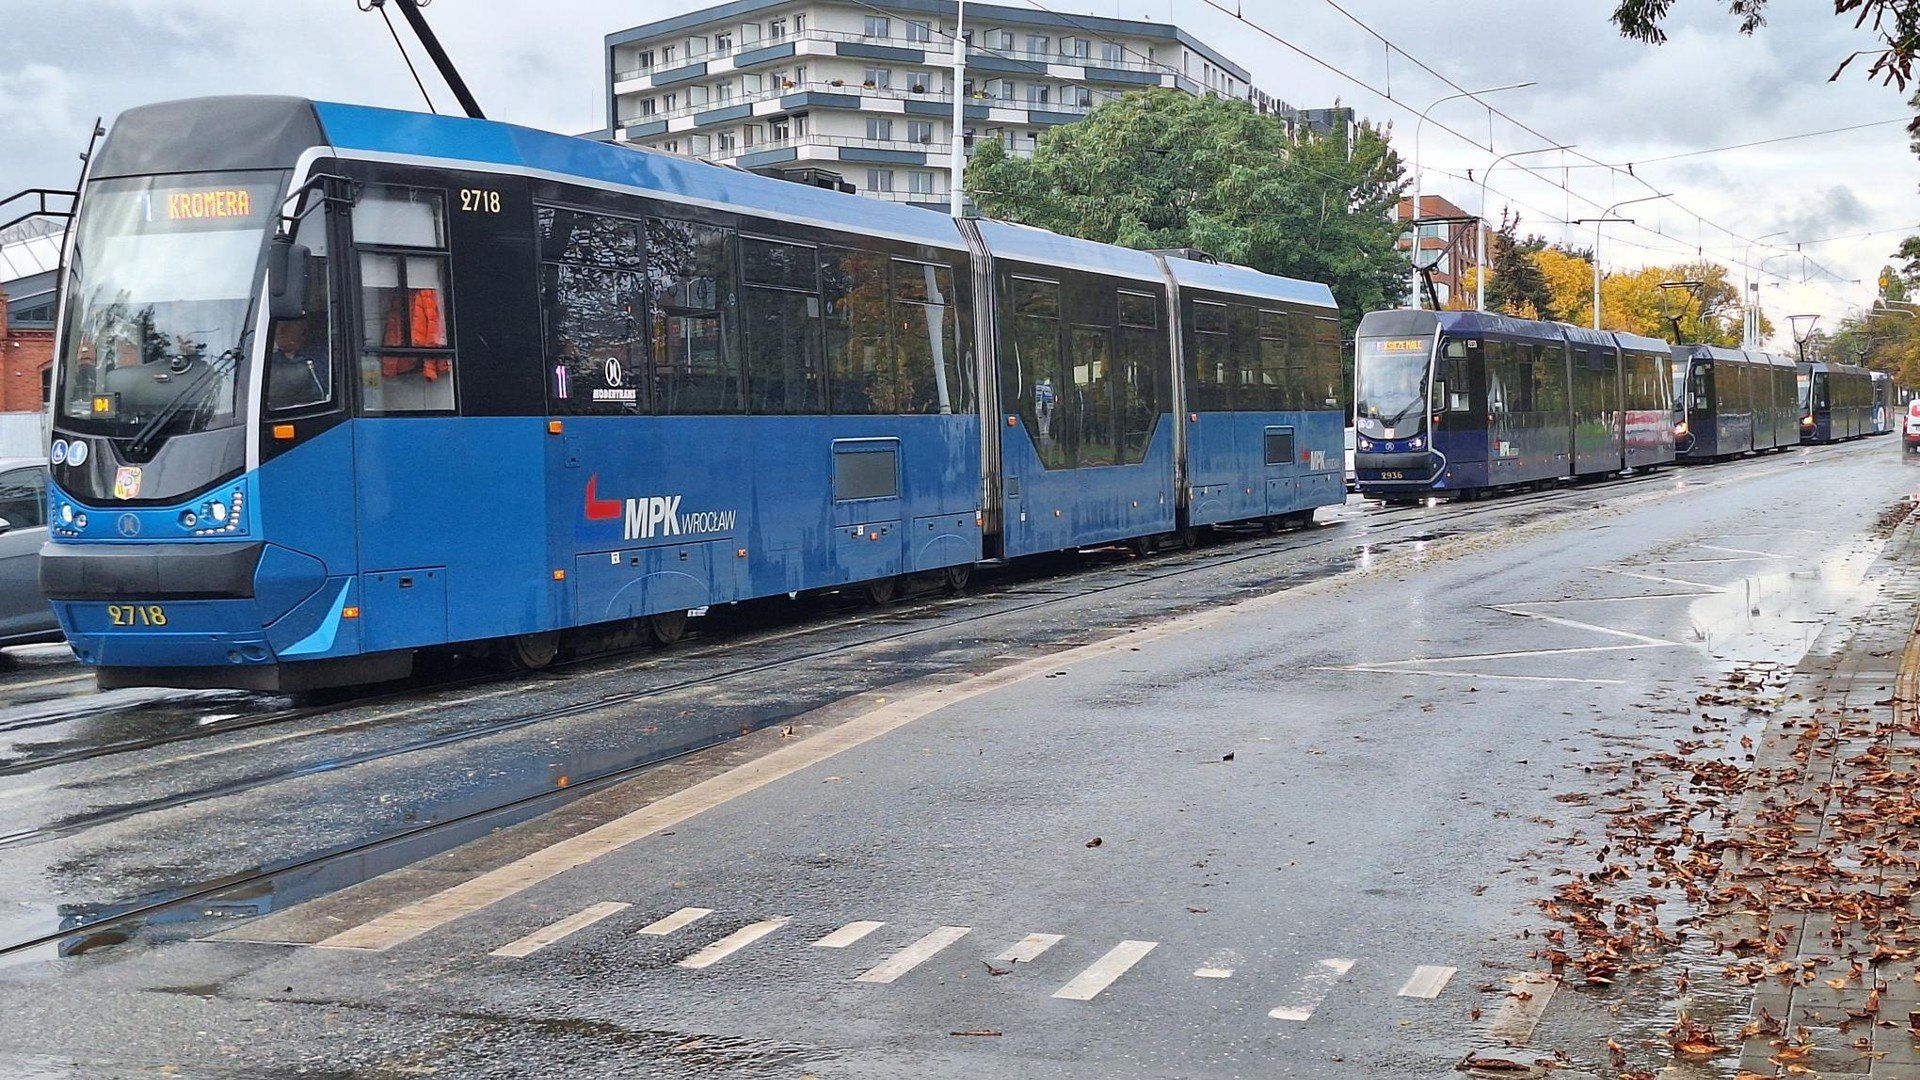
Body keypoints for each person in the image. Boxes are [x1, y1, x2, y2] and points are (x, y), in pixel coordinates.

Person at [268, 318, 331, 411]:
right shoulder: (268, 361)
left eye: (286, 326)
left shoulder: (322, 356)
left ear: (302, 327)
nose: (280, 331)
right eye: (277, 326)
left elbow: (320, 390)